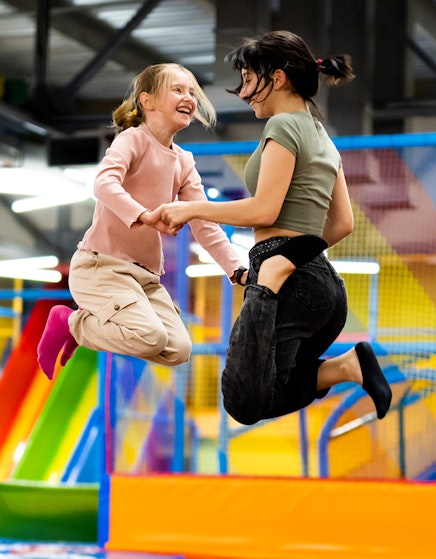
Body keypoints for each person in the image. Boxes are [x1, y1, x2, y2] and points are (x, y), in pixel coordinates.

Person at [152, 30, 393, 425]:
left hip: (282, 277)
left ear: (277, 78)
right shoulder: (324, 139)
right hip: (325, 288)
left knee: (243, 399)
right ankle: (348, 366)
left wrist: (191, 209)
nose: (244, 93)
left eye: (249, 80)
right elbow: (342, 223)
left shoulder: (282, 127)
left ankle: (282, 283)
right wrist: (302, 255)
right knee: (268, 391)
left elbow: (266, 210)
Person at [36, 63, 247, 380]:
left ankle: (77, 327)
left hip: (144, 279)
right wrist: (144, 215)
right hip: (101, 267)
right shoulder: (132, 140)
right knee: (152, 336)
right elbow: (104, 184)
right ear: (147, 101)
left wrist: (236, 268)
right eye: (177, 89)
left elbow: (203, 220)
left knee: (178, 348)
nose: (188, 97)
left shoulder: (184, 161)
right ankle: (71, 324)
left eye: (191, 92)